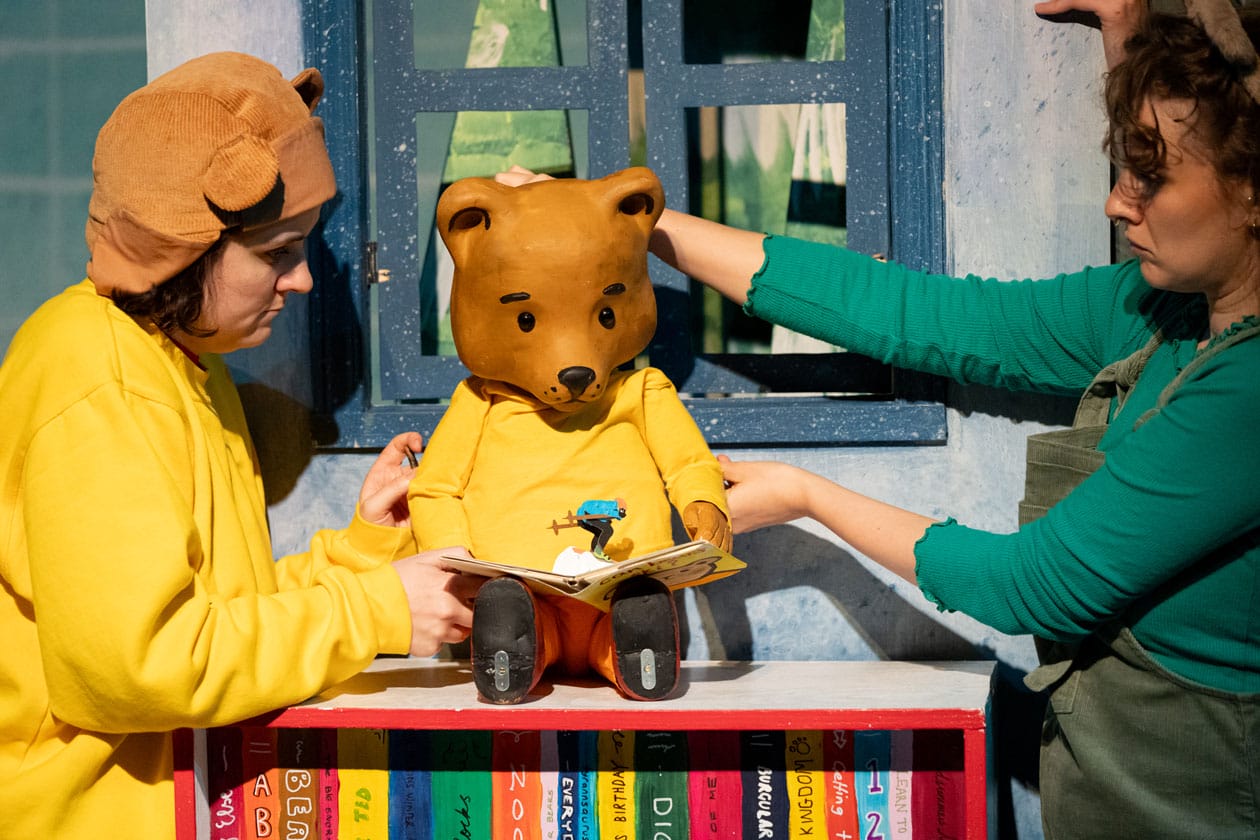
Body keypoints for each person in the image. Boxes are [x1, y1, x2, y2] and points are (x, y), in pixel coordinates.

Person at [628, 2, 1260, 837]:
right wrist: (641, 223)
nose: (1116, 202)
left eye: (1150, 177)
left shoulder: (1244, 389)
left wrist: (812, 496)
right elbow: (924, 315)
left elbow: (1030, 587)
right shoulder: (1160, 313)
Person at [0, 52, 481, 838]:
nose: (303, 283)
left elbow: (218, 614)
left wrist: (362, 554)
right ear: (181, 244)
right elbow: (138, 669)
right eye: (277, 252)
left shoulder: (181, 360)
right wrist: (375, 611)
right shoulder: (97, 375)